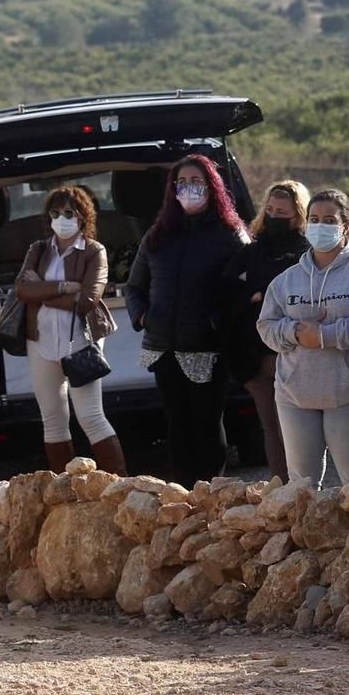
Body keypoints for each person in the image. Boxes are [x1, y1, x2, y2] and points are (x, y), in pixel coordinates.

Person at [125, 156, 247, 486]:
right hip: (163, 348)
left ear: (211, 186)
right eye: (182, 182)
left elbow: (247, 288)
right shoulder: (158, 234)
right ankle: (183, 499)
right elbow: (134, 286)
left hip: (207, 348)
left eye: (196, 181)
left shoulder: (230, 234)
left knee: (207, 425)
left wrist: (218, 321)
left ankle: (211, 497)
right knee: (176, 426)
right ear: (173, 189)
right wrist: (143, 315)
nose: (189, 188)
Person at [257, 189, 349, 486]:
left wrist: (324, 336)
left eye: (329, 219)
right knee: (301, 486)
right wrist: (294, 332)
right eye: (314, 219)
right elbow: (266, 327)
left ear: (345, 225)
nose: (320, 225)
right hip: (295, 396)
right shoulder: (286, 279)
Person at [17, 185, 124, 474]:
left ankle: (121, 486)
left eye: (68, 212)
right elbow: (22, 291)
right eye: (55, 212)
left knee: (90, 416)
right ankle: (64, 494)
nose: (61, 218)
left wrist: (42, 289)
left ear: (82, 216)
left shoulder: (93, 251)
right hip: (40, 341)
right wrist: (65, 288)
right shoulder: (38, 249)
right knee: (52, 419)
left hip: (80, 341)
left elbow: (88, 299)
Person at [221, 181, 309, 476]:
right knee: (270, 426)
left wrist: (261, 292)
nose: (273, 216)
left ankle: (304, 486)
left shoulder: (307, 251)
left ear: (297, 215)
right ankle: (280, 487)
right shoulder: (253, 251)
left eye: (281, 211)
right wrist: (252, 296)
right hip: (254, 352)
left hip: (294, 350)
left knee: (297, 426)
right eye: (269, 209)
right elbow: (226, 288)